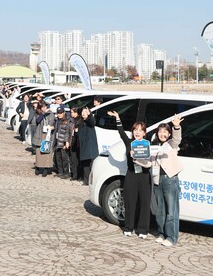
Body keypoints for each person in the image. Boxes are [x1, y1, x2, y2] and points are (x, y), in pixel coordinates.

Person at [107, 110, 152, 238]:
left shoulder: (148, 145)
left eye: (140, 130)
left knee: (144, 203)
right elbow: (121, 133)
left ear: (144, 133)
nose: (137, 132)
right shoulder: (129, 143)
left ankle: (142, 230)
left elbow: (152, 160)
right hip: (131, 175)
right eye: (135, 130)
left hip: (144, 176)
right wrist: (117, 118)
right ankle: (128, 227)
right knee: (130, 202)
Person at [151, 115, 184, 247]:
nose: (162, 134)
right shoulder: (153, 146)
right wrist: (136, 157)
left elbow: (177, 138)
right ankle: (162, 233)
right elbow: (149, 163)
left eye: (165, 131)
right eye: (160, 131)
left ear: (169, 133)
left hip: (170, 179)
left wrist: (176, 126)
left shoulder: (171, 144)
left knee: (172, 210)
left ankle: (171, 237)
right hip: (157, 180)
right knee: (160, 211)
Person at [77, 106, 98, 185]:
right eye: (83, 112)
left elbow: (92, 122)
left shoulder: (90, 121)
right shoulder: (80, 122)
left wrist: (89, 115)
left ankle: (92, 180)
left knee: (91, 164)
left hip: (90, 146)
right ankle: (86, 180)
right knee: (85, 164)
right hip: (83, 145)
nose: (83, 113)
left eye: (85, 112)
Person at [34, 102, 55, 176]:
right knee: (39, 151)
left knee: (46, 151)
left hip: (48, 135)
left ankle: (46, 168)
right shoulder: (39, 114)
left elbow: (54, 123)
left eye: (45, 107)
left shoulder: (51, 114)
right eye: (42, 107)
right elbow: (37, 120)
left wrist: (51, 127)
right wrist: (43, 114)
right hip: (40, 134)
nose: (43, 108)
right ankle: (38, 166)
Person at [52, 106, 73, 179]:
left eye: (60, 113)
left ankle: (66, 173)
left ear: (64, 113)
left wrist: (66, 142)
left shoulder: (67, 121)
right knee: (58, 158)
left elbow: (68, 132)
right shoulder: (56, 120)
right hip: (57, 141)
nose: (59, 114)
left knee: (64, 158)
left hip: (63, 141)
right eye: (58, 113)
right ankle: (60, 172)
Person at [69, 106, 81, 181]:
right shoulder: (71, 120)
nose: (71, 114)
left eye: (72, 112)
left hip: (78, 141)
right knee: (73, 159)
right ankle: (74, 174)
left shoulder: (80, 120)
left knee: (78, 159)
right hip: (72, 140)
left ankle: (79, 175)